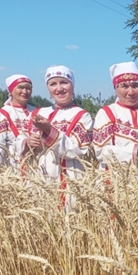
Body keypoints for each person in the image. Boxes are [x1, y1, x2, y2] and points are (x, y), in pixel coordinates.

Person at [27, 65, 93, 210]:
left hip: (70, 181)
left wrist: (49, 130)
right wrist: (28, 143)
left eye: (64, 82)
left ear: (72, 86)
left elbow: (76, 149)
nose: (59, 88)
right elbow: (19, 147)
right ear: (48, 89)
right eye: (53, 84)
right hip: (41, 181)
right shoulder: (38, 113)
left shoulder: (82, 116)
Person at [93, 61, 138, 171]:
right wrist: (134, 151)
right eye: (124, 86)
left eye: (135, 85)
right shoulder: (107, 113)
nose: (131, 92)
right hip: (114, 185)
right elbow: (101, 152)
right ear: (115, 88)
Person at [0, 74, 36, 169]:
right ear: (11, 90)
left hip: (37, 170)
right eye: (20, 87)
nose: (25, 91)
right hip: (13, 169)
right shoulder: (2, 115)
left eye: (28, 88)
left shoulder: (37, 112)